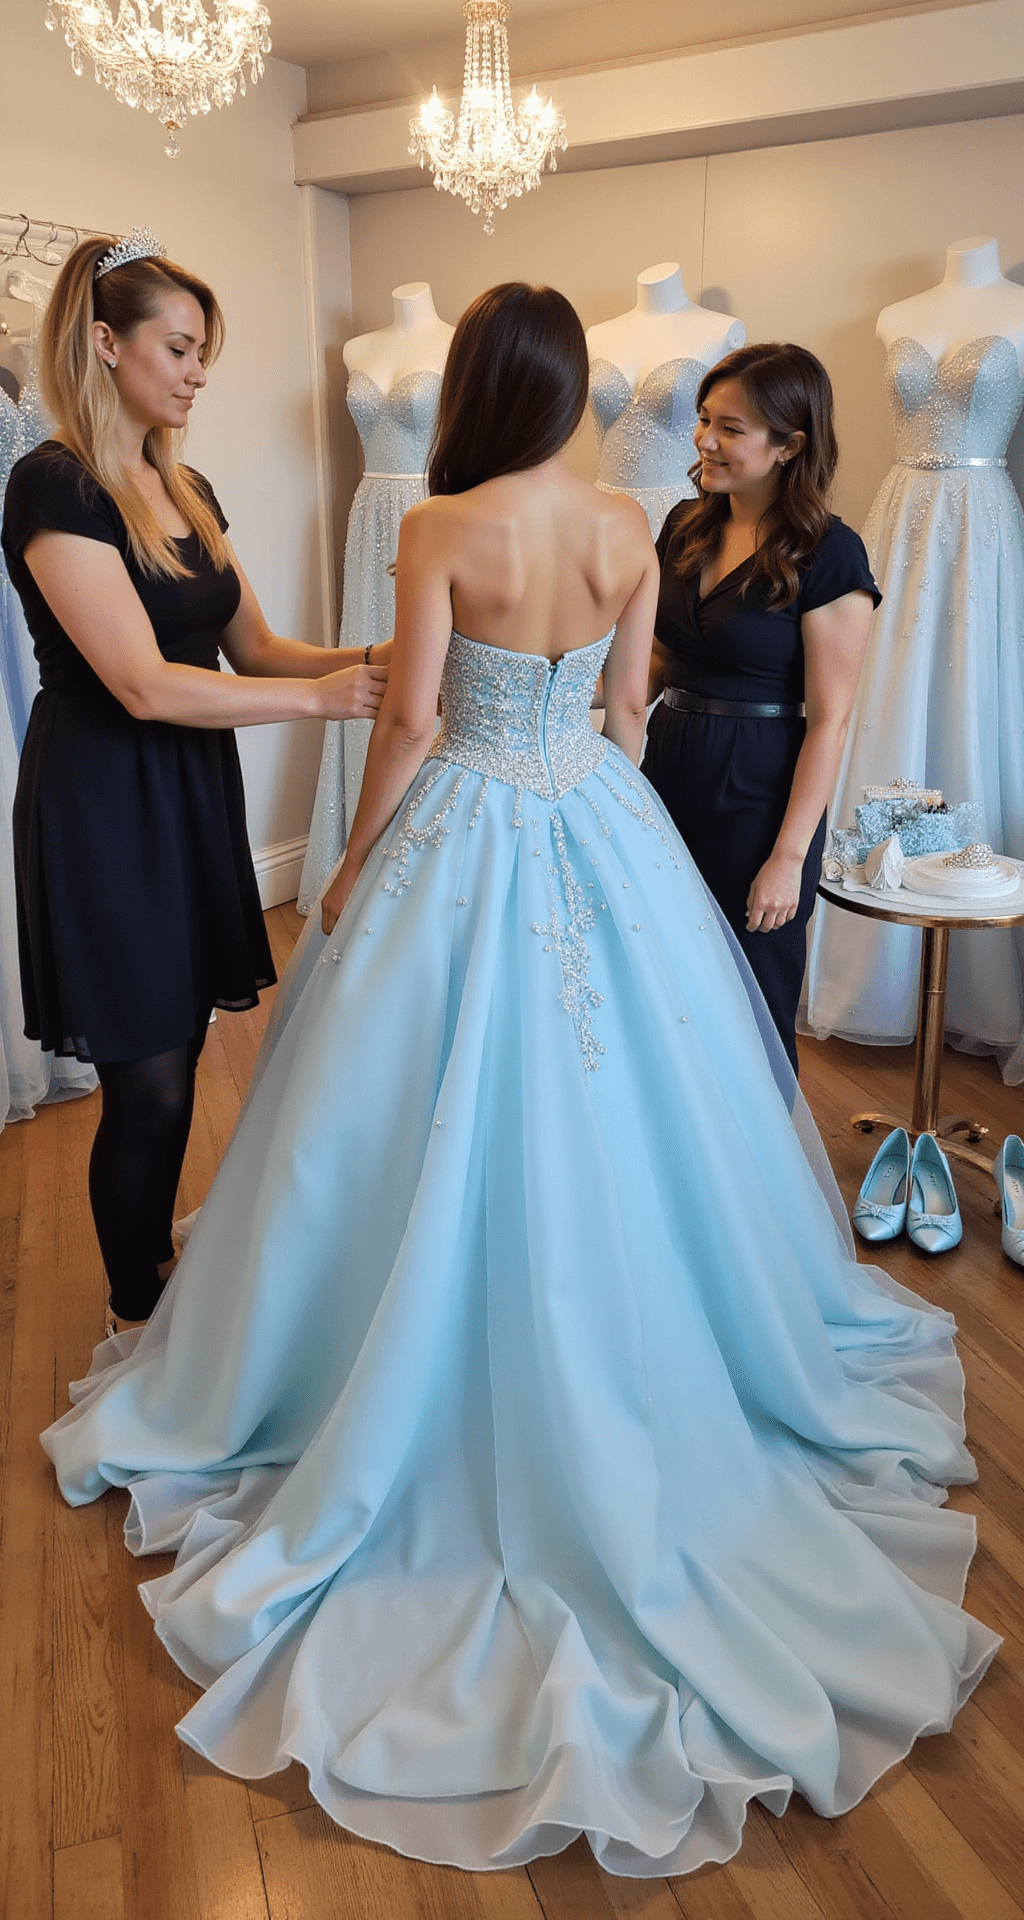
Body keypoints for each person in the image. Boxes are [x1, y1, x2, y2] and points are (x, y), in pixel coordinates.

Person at [43, 284, 996, 1881]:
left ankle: (340, 1372)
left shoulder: (435, 524)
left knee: (383, 1120)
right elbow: (628, 715)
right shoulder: (638, 520)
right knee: (633, 1111)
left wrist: (353, 868)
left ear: (482, 384)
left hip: (468, 820)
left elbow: (410, 719)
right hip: (594, 825)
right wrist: (596, 833)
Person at [0, 229, 389, 1329]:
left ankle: (156, 1287)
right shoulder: (53, 485)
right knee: (152, 1079)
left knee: (179, 1056)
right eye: (178, 347)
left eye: (203, 351)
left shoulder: (188, 482)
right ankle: (137, 1309)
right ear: (103, 343)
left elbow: (256, 651)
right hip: (104, 801)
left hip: (186, 793)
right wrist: (325, 704)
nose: (198, 371)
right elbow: (141, 684)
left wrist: (378, 658)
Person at [641, 343, 880, 1074]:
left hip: (758, 795)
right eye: (704, 420)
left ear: (789, 445)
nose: (706, 441)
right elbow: (652, 662)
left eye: (732, 428)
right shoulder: (684, 524)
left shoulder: (830, 552)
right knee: (659, 979)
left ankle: (764, 1172)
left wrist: (787, 856)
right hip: (666, 768)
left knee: (753, 994)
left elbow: (832, 718)